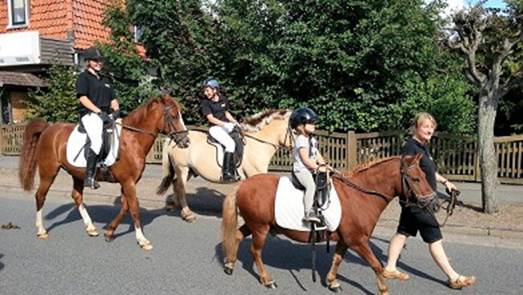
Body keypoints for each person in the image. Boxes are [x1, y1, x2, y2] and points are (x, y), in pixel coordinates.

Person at [383, 112, 476, 289]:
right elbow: (409, 175)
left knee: (403, 232)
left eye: (432, 127)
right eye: (426, 126)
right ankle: (453, 277)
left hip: (416, 201)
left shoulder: (423, 147)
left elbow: (428, 171)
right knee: (434, 238)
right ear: (416, 128)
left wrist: (445, 182)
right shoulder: (410, 148)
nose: (430, 130)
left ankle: (390, 267)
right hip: (418, 201)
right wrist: (418, 197)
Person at [76, 46, 120, 189]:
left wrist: (117, 111)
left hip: (106, 115)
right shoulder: (83, 77)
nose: (99, 63)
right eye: (95, 61)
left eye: (100, 61)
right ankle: (89, 176)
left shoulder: (105, 79)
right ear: (88, 61)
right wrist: (98, 112)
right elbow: (83, 98)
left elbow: (113, 99)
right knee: (96, 140)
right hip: (90, 114)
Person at [290, 107, 328, 223]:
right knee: (311, 186)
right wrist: (317, 167)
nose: (313, 125)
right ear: (300, 126)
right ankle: (308, 212)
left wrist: (324, 164)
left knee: (326, 179)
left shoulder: (311, 139)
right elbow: (305, 159)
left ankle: (320, 206)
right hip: (301, 170)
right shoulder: (301, 140)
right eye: (310, 123)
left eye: (313, 122)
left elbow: (316, 153)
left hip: (310, 169)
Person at [200, 78, 240, 182]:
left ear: (215, 90)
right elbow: (211, 118)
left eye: (207, 90)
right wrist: (225, 124)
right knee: (230, 144)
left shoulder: (223, 99)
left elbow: (226, 113)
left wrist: (235, 122)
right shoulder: (206, 103)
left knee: (239, 138)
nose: (205, 93)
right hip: (215, 128)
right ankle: (226, 173)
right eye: (205, 91)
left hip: (226, 126)